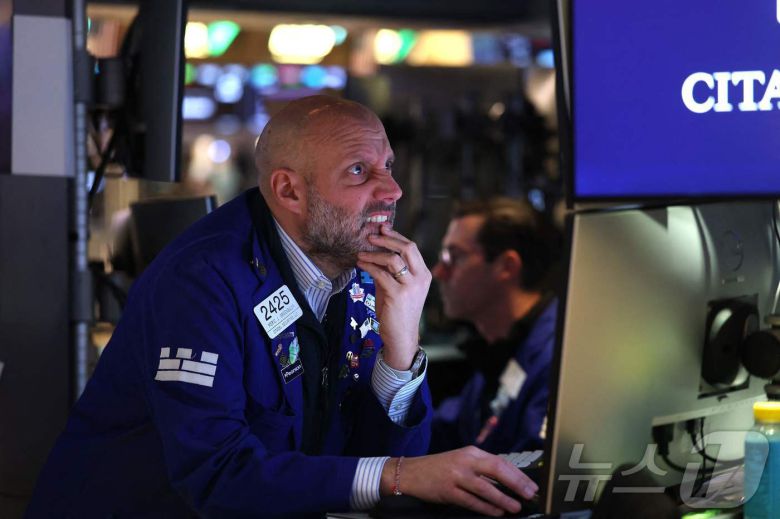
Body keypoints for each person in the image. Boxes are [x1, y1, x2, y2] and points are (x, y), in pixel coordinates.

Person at [27, 96, 537, 518]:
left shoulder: (359, 270)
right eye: (359, 171)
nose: (393, 190)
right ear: (289, 190)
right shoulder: (201, 280)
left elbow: (387, 471)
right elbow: (217, 476)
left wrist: (401, 347)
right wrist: (398, 475)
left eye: (388, 166)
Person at [430, 198, 560, 455]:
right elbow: (443, 433)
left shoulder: (558, 355)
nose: (438, 272)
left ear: (507, 267)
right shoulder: (498, 350)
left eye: (454, 257)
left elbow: (534, 470)